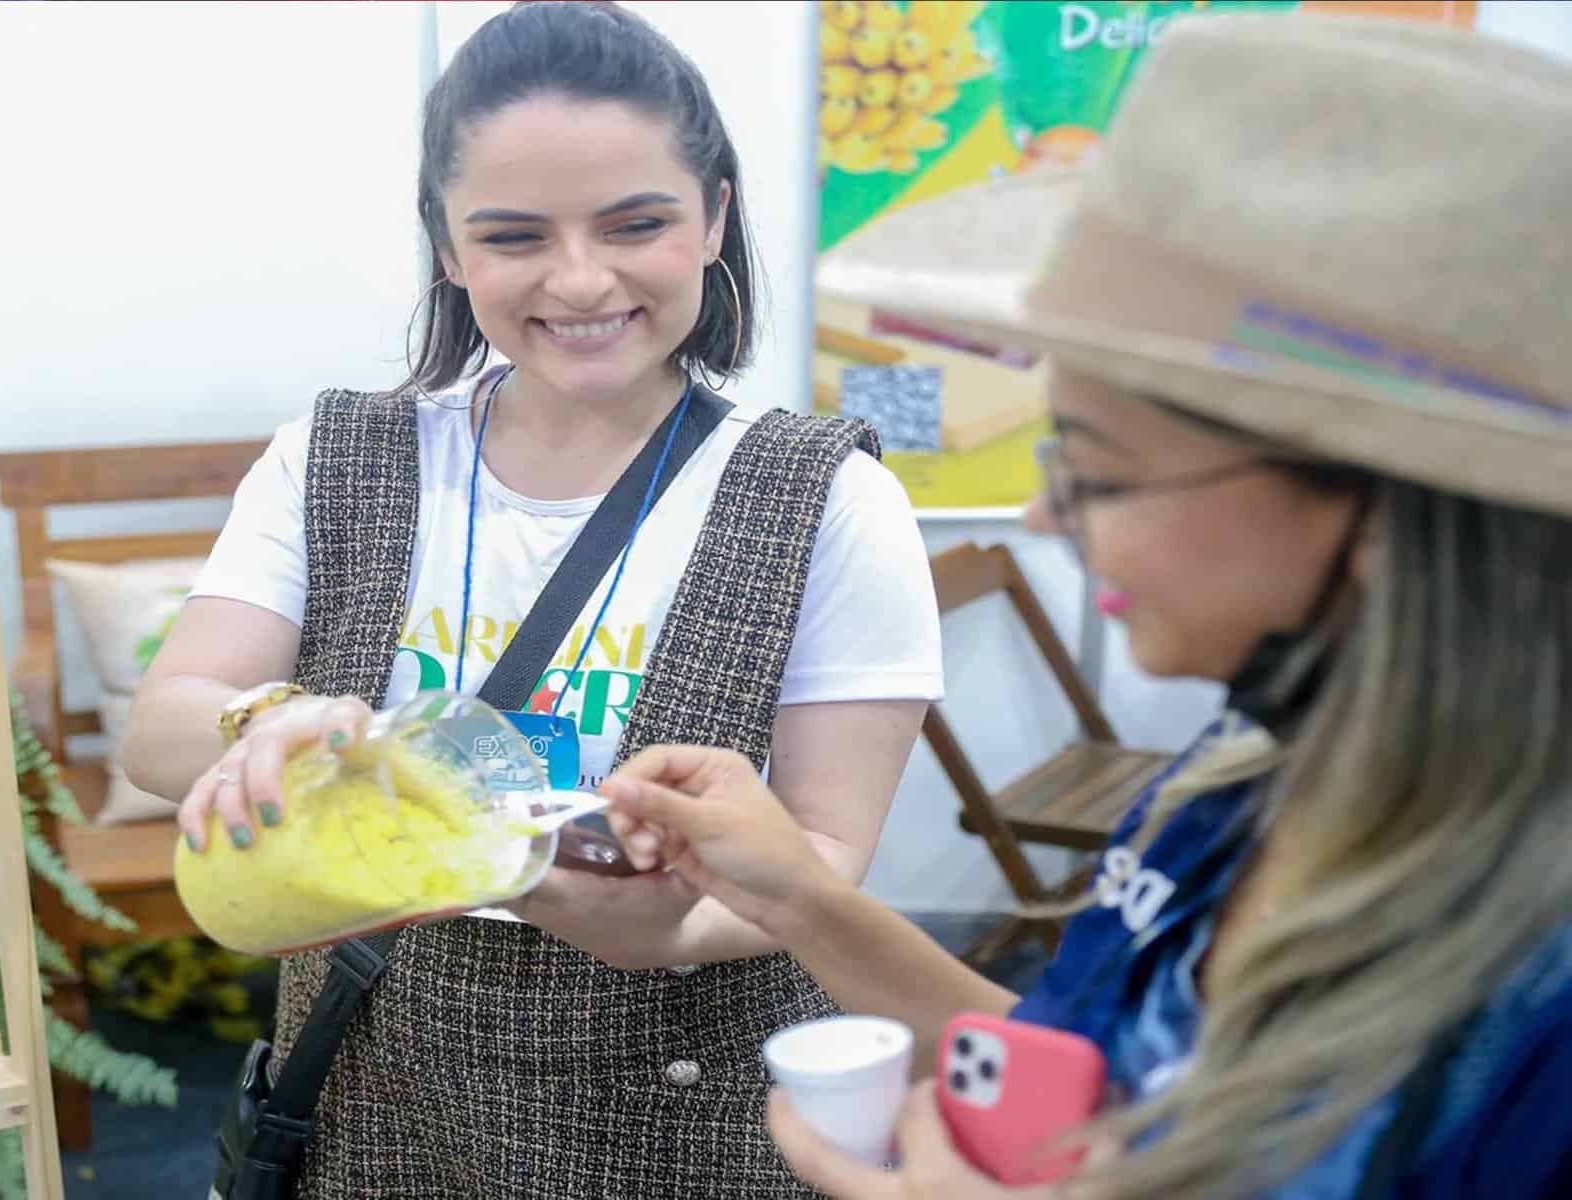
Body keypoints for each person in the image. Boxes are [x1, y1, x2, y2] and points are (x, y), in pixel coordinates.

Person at [598, 13, 1572, 1200]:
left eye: (1098, 473)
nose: (1047, 519)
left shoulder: (1534, 996)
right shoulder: (1229, 783)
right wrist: (796, 897)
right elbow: (1074, 1073)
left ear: (1383, 517)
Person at [122, 3, 942, 1194]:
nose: (579, 279)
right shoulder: (337, 458)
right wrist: (272, 726)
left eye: (635, 224)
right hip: (371, 1097)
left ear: (713, 217)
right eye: (513, 236)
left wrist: (664, 926)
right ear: (447, 248)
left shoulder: (826, 498)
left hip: (685, 1109)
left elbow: (823, 852)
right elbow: (162, 726)